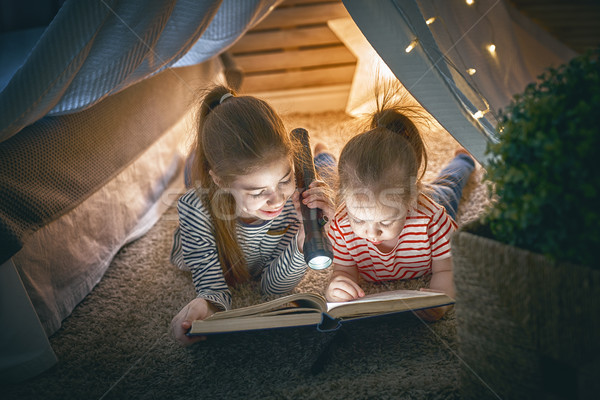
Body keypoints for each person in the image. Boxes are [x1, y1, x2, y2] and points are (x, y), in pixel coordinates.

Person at [171, 85, 335, 345]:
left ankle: (321, 155)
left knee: (329, 176)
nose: (277, 199)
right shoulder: (195, 209)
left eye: (285, 179)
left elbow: (272, 288)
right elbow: (212, 286)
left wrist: (303, 240)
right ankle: (197, 155)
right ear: (221, 180)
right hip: (206, 184)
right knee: (191, 175)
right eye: (258, 191)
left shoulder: (295, 202)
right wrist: (206, 306)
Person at [324, 98, 475, 321]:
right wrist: (336, 288)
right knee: (324, 172)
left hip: (436, 199)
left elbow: (447, 270)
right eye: (359, 220)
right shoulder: (341, 224)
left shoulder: (432, 220)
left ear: (410, 201)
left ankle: (464, 159)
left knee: (448, 186)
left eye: (385, 222)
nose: (371, 233)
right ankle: (323, 155)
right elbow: (344, 271)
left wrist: (439, 300)